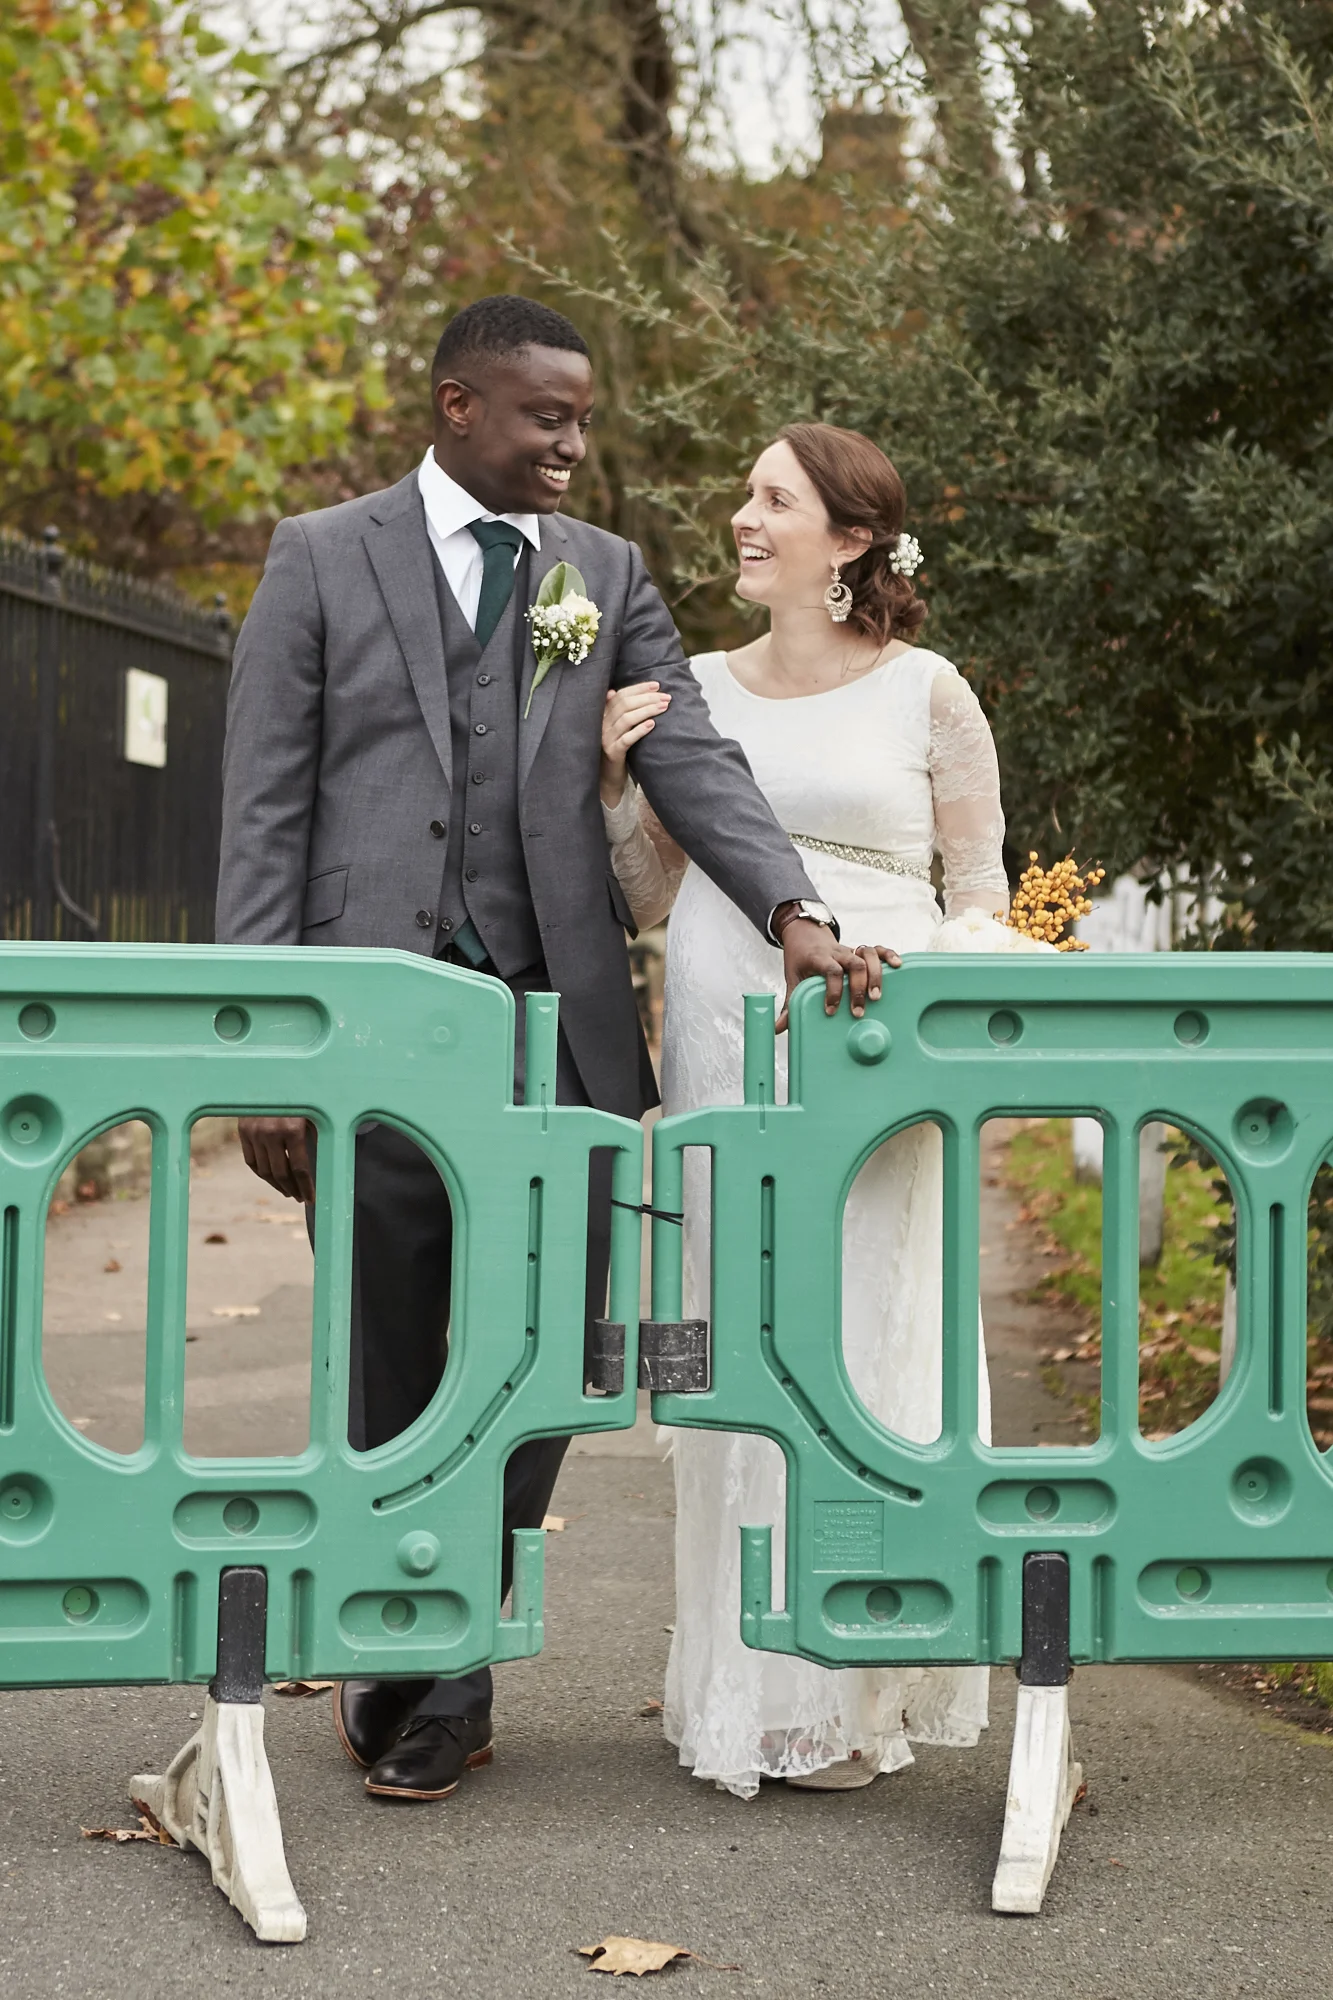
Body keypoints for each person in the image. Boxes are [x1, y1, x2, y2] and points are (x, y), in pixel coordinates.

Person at [215, 299, 884, 1805]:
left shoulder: (605, 576)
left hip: (559, 1030)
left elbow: (692, 753)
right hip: (374, 1033)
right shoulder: (323, 556)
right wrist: (264, 1048)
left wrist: (790, 901)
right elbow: (264, 803)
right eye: (546, 418)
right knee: (393, 1353)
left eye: (584, 418)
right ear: (460, 406)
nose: (575, 445)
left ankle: (443, 1649)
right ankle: (426, 1655)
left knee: (546, 1362)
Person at [599, 420, 1013, 1798]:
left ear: (847, 539)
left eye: (771, 498)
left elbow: (982, 904)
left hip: (870, 1055)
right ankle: (743, 1692)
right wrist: (612, 781)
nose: (740, 517)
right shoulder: (689, 688)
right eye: (744, 494)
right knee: (741, 1355)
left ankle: (852, 1683)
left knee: (868, 1346)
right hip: (722, 1042)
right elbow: (646, 899)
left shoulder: (930, 694)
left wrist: (917, 1004)